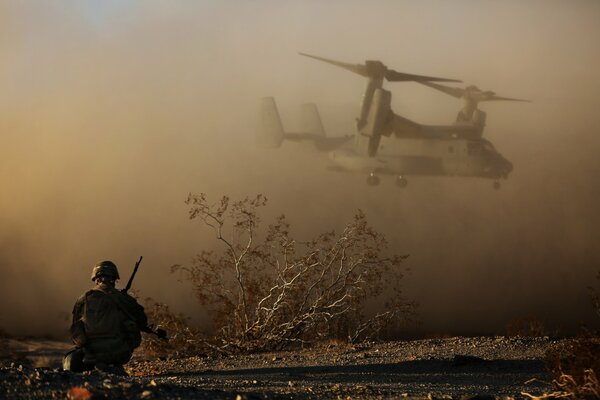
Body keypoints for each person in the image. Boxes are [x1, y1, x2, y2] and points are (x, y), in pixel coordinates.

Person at [63, 260, 149, 375]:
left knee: (71, 352)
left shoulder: (83, 299)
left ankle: (96, 366)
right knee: (132, 327)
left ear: (95, 278)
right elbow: (142, 322)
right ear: (114, 278)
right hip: (120, 353)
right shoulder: (125, 300)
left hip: (90, 354)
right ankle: (114, 366)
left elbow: (75, 328)